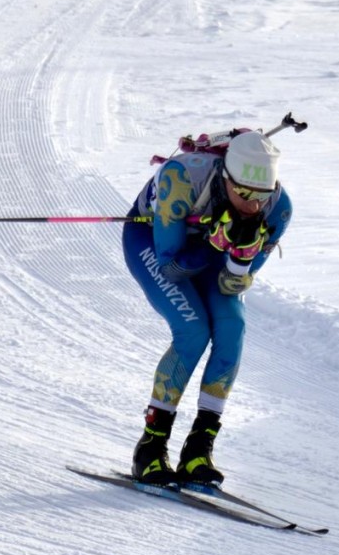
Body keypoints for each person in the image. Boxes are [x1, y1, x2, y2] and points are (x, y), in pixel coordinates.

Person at [122, 128, 292, 487]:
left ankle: (199, 448)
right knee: (193, 330)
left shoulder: (279, 208)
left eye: (261, 195)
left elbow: (229, 287)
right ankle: (150, 448)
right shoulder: (181, 178)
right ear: (225, 176)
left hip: (208, 249)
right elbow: (170, 267)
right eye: (244, 193)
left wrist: (241, 261)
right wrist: (214, 246)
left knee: (232, 329)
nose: (252, 205)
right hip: (154, 242)